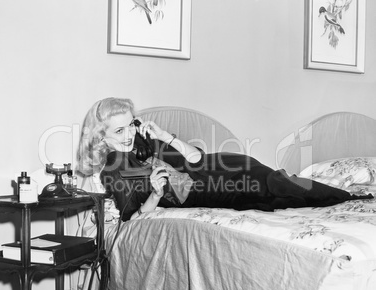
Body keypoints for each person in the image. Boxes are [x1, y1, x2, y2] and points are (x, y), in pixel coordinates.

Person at [77, 97, 372, 221]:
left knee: (270, 182)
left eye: (131, 124)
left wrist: (165, 136)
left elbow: (196, 158)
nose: (129, 133)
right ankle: (341, 195)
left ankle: (348, 196)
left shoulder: (147, 144)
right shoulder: (112, 172)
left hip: (217, 167)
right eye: (120, 129)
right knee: (268, 198)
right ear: (100, 137)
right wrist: (155, 193)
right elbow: (132, 216)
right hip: (206, 190)